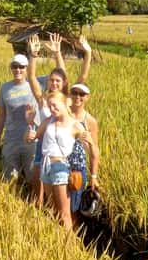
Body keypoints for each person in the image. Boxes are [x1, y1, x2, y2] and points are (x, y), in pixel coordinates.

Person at [25, 32, 92, 204]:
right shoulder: (43, 100)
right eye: (51, 80)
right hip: (43, 145)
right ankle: (42, 218)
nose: (54, 83)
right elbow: (31, 78)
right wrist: (33, 55)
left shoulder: (66, 100)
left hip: (61, 151)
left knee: (61, 197)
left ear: (63, 83)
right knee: (37, 187)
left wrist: (61, 53)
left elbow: (81, 78)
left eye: (57, 81)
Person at [26, 91, 98, 231]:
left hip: (60, 168)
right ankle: (59, 243)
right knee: (53, 210)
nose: (52, 109)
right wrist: (30, 125)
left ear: (65, 103)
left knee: (65, 214)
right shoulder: (48, 121)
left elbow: (93, 153)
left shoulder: (75, 125)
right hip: (45, 166)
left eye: (54, 105)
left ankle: (70, 247)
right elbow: (31, 138)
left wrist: (94, 175)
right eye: (49, 106)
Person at [0, 53, 40, 183]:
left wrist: (37, 55)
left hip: (31, 142)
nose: (18, 70)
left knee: (33, 180)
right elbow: (1, 115)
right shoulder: (5, 88)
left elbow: (61, 78)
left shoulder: (36, 84)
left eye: (21, 67)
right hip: (11, 141)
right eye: (14, 66)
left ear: (27, 69)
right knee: (9, 180)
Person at [67, 82, 99, 226]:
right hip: (59, 166)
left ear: (87, 97)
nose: (78, 97)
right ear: (70, 94)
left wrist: (93, 176)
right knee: (58, 205)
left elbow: (94, 151)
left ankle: (71, 240)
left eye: (82, 94)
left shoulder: (90, 121)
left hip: (77, 170)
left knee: (73, 209)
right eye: (75, 93)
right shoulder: (63, 113)